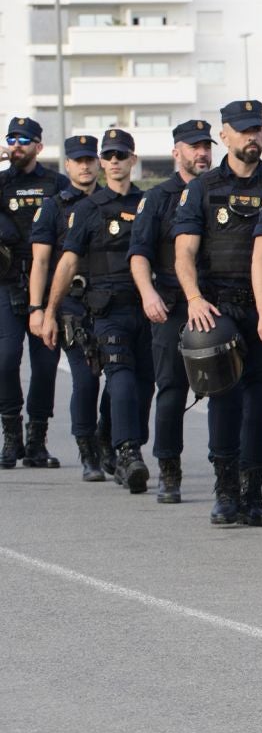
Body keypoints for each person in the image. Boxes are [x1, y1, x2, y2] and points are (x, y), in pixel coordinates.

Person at [173, 100, 262, 527]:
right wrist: (194, 298)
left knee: (260, 402)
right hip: (217, 306)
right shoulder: (202, 189)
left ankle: (252, 492)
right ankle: (225, 491)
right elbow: (184, 252)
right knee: (224, 398)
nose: (251, 137)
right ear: (225, 135)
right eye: (243, 130)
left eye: (257, 129)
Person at [38, 129, 150, 491]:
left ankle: (111, 438)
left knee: (142, 385)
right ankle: (119, 451)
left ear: (133, 159)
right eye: (109, 156)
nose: (114, 162)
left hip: (145, 308)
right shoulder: (86, 209)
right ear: (104, 163)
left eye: (122, 155)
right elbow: (66, 263)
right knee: (110, 378)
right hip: (102, 307)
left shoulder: (149, 204)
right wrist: (48, 311)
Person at [128, 118, 215, 503]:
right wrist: (148, 294)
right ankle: (168, 468)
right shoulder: (158, 197)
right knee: (172, 388)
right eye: (193, 146)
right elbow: (139, 253)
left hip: (215, 302)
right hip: (172, 304)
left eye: (206, 146)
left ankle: (233, 472)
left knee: (229, 388)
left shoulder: (217, 192)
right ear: (175, 151)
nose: (202, 153)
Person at [30, 136, 105, 473]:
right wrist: (40, 310)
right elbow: (42, 263)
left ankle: (111, 442)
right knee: (86, 378)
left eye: (90, 159)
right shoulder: (54, 206)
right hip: (72, 303)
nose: (85, 166)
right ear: (68, 165)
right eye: (78, 160)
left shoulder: (113, 201)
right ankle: (88, 449)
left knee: (121, 381)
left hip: (114, 302)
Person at [0, 116, 62, 469]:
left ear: (39, 145)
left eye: (24, 139)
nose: (17, 144)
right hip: (6, 283)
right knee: (6, 360)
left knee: (45, 365)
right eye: (11, 138)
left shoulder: (55, 184)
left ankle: (37, 440)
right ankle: (12, 437)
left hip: (48, 284)